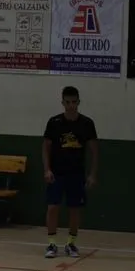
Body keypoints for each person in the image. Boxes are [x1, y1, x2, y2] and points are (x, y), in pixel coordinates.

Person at [42, 86, 98, 258]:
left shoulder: (87, 123)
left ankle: (71, 244)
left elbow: (94, 151)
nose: (71, 105)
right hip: (57, 173)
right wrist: (47, 169)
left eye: (74, 102)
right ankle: (52, 244)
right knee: (53, 207)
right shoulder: (54, 122)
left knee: (75, 209)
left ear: (78, 102)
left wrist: (92, 174)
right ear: (63, 103)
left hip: (77, 173)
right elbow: (46, 147)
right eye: (68, 102)